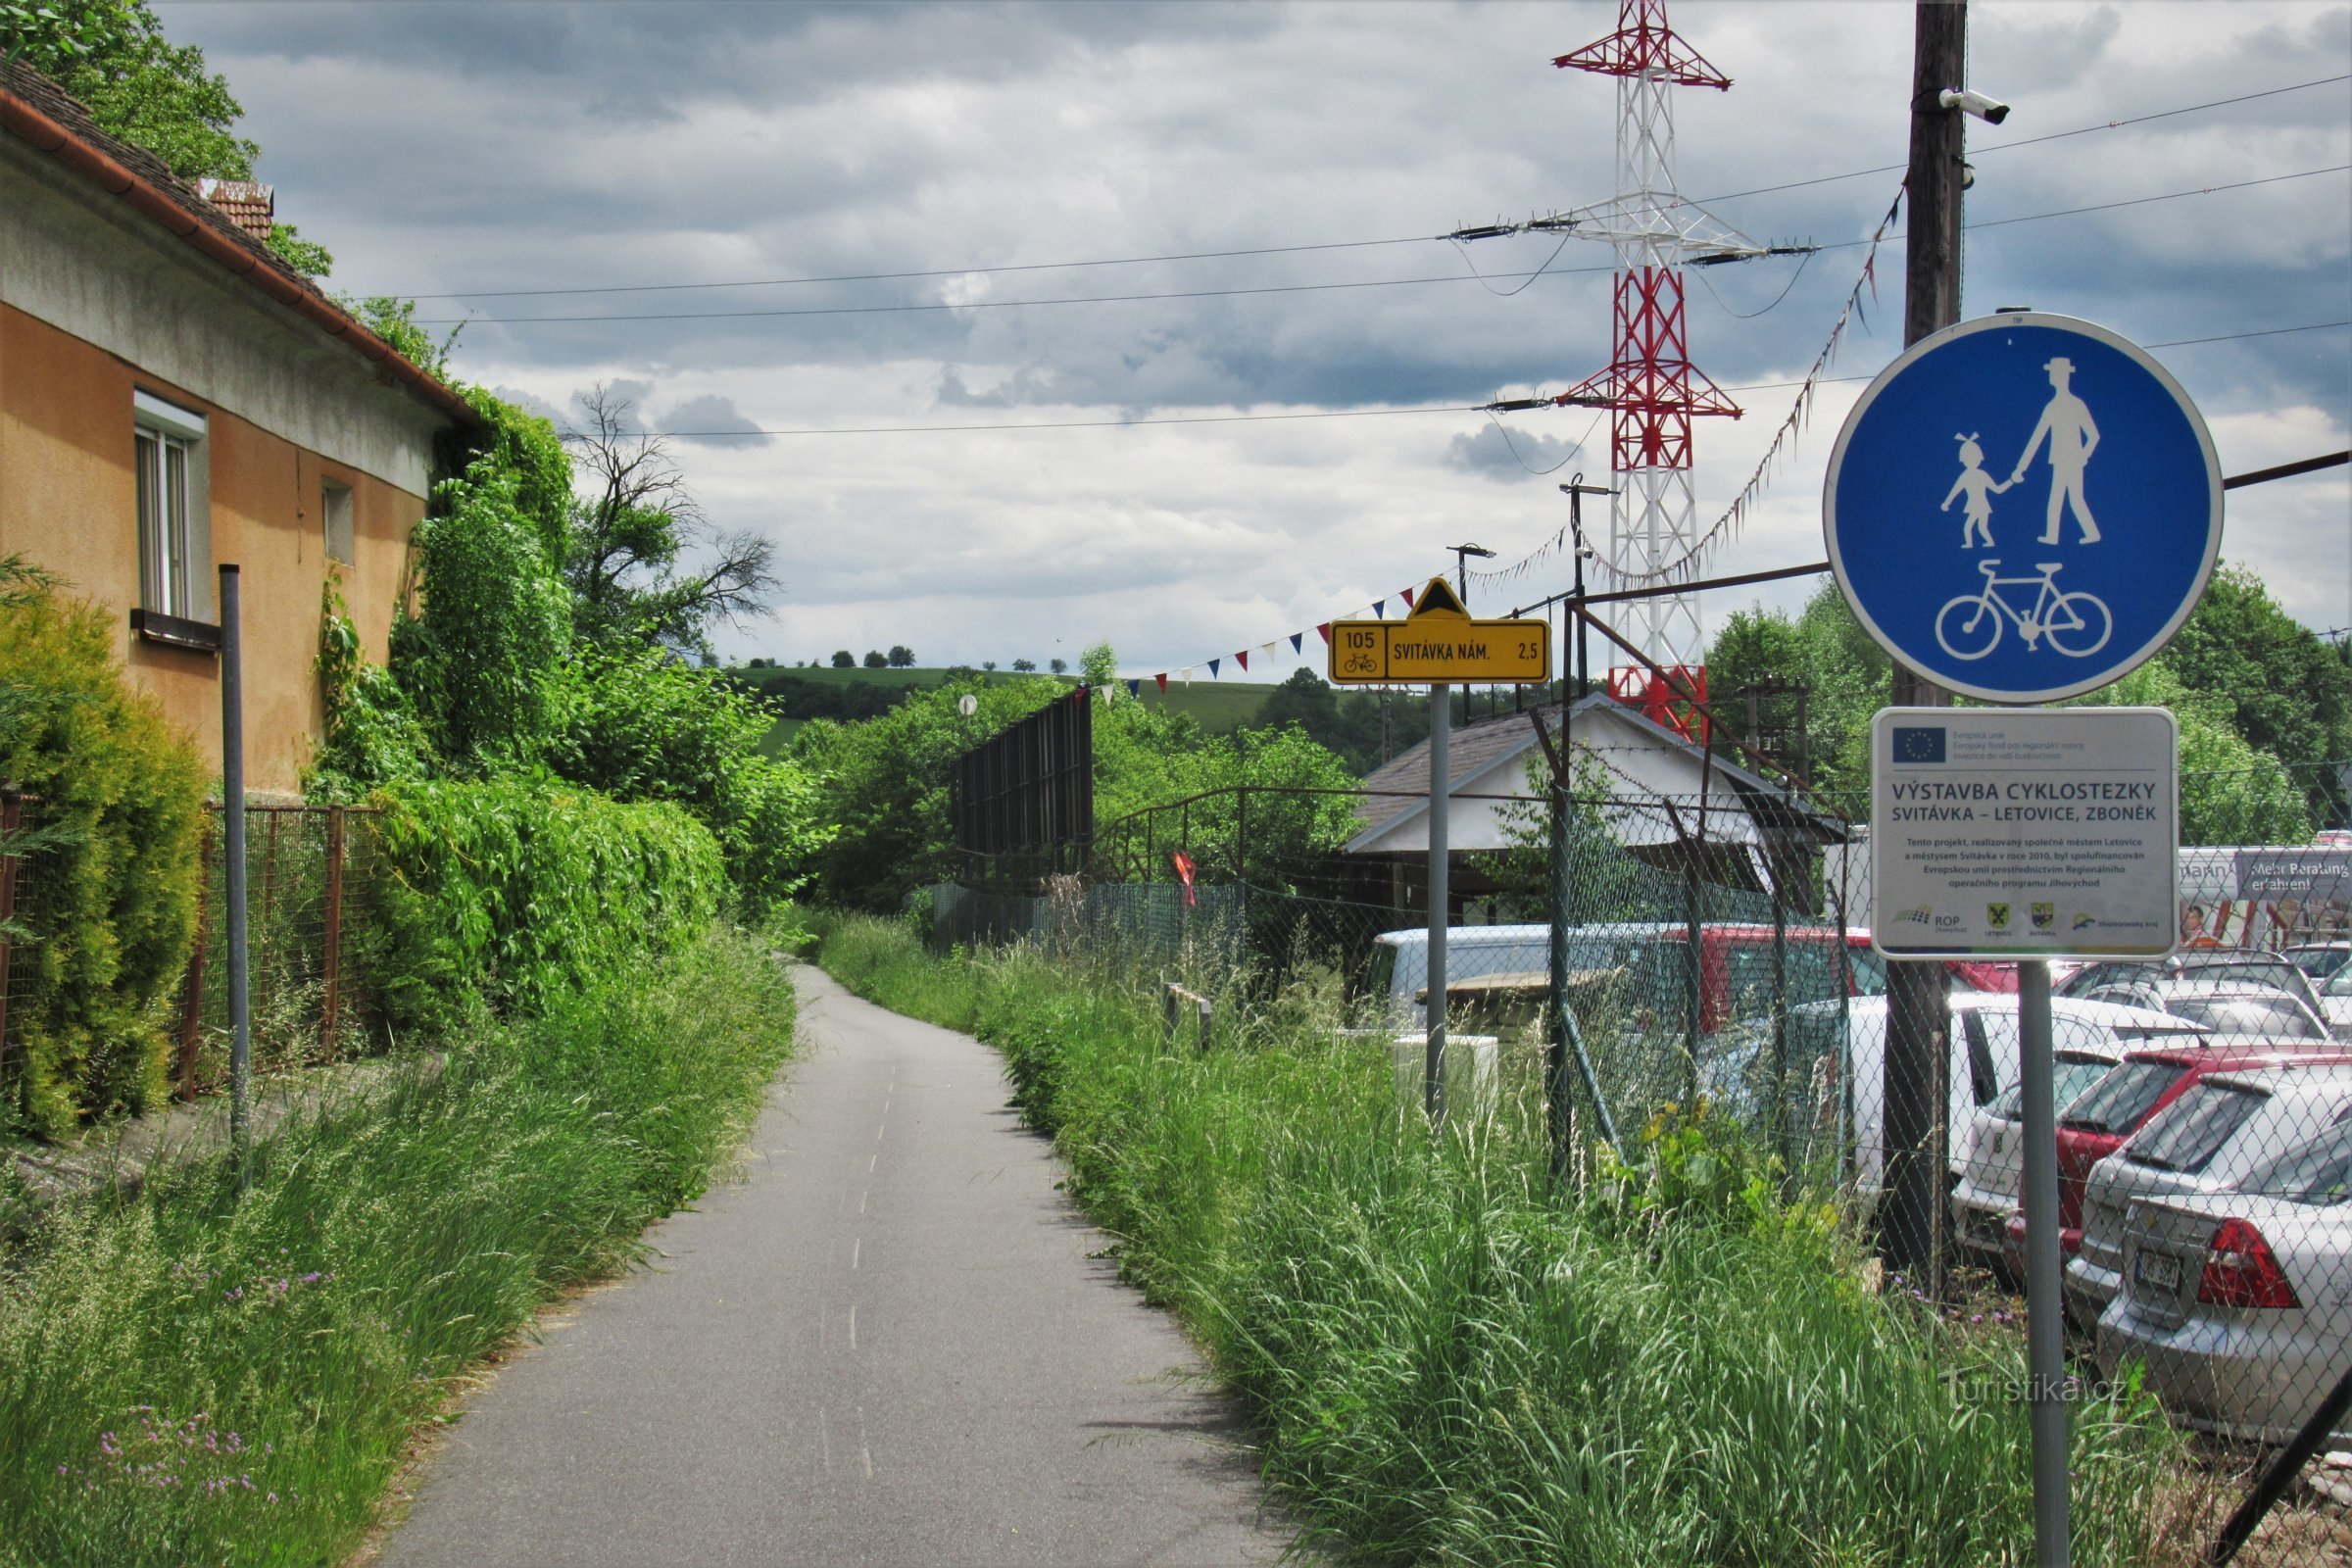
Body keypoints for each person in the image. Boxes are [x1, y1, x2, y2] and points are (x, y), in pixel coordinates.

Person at [2011, 357, 2102, 546]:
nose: (2051, 376)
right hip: (2061, 460)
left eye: (2054, 373)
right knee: (2061, 498)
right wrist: (2021, 467)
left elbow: (2094, 435)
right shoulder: (2052, 406)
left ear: (2061, 376)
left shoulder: (2075, 404)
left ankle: (2088, 534)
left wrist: (2083, 455)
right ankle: (2054, 536)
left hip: (2072, 461)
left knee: (2073, 498)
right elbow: (2037, 438)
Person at [1940, 432, 2010, 548]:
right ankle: (1972, 543)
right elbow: (1955, 490)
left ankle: (1985, 543)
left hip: (1981, 505)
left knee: (1977, 527)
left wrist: (2011, 481)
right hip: (1975, 505)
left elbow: (1998, 490)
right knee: (1972, 527)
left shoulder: (1981, 474)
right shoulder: (1966, 476)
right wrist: (1947, 502)